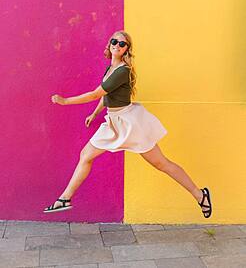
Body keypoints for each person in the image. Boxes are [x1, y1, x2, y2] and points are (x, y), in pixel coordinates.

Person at [43, 30, 212, 218]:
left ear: (126, 50)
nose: (117, 45)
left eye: (122, 44)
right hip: (113, 121)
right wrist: (95, 113)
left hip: (130, 123)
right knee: (86, 155)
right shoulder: (111, 68)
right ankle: (65, 198)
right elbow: (106, 95)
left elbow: (95, 94)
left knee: (161, 164)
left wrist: (65, 101)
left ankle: (200, 195)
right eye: (114, 41)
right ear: (109, 43)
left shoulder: (122, 70)